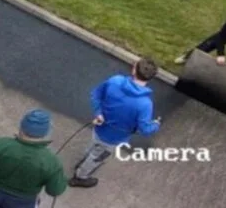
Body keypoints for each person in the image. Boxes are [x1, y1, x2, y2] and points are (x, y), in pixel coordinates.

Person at [68, 58, 161, 188]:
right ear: (151, 78)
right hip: (114, 139)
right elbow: (145, 129)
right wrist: (156, 124)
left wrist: (98, 113)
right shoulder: (145, 104)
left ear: (134, 69)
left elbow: (96, 95)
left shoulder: (115, 81)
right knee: (97, 157)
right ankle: (80, 177)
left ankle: (83, 161)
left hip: (99, 128)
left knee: (93, 145)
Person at [0, 109, 67, 207]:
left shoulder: (1, 145)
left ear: (22, 127)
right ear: (45, 133)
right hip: (24, 201)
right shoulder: (51, 161)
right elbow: (55, 190)